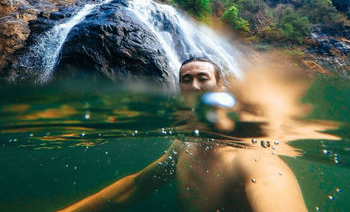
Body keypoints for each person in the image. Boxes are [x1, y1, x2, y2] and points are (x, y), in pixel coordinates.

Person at [58, 57, 307, 212]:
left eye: (203, 78)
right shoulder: (183, 146)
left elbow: (271, 182)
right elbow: (136, 186)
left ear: (220, 87)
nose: (195, 86)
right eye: (186, 79)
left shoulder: (252, 159)